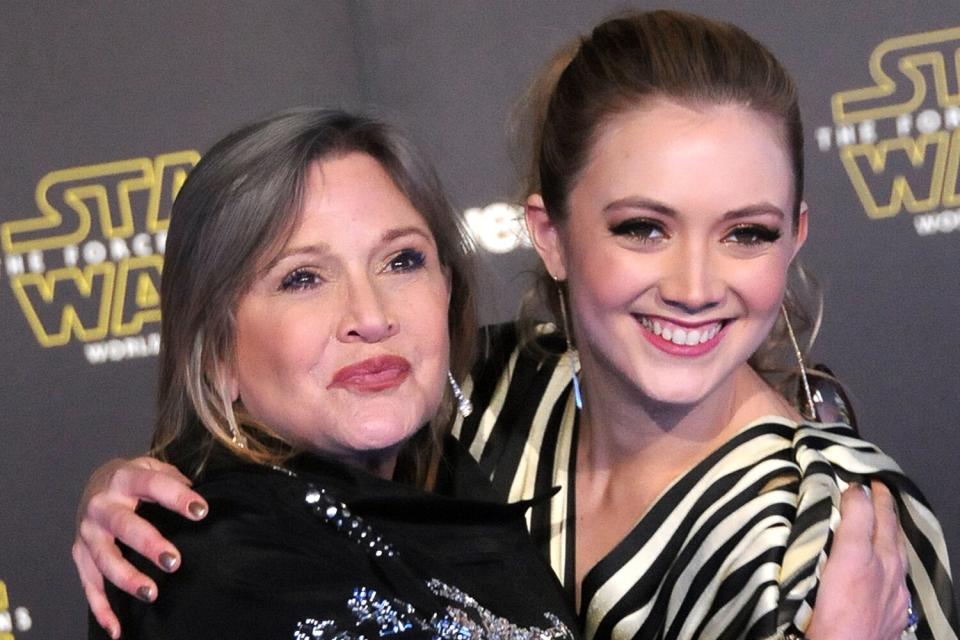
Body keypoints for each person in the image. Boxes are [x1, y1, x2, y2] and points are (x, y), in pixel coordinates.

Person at [74, 10, 953, 640]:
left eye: (746, 232)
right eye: (642, 227)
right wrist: (138, 481)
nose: (694, 285)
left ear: (794, 236)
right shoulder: (482, 396)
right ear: (551, 236)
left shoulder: (836, 523)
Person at [84, 107, 579, 639]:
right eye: (302, 279)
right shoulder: (214, 567)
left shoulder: (456, 479)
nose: (370, 317)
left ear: (449, 290)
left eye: (401, 261)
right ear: (215, 350)